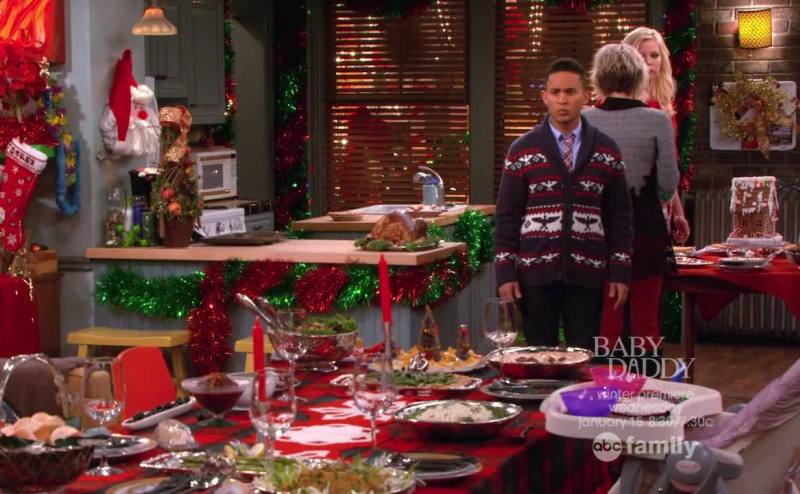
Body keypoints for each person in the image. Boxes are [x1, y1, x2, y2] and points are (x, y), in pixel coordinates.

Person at [494, 57, 633, 350]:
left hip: (588, 272)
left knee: (583, 357)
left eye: (570, 92)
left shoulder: (607, 150)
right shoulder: (522, 150)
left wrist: (620, 270)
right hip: (535, 273)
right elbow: (507, 216)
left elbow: (620, 216)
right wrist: (505, 273)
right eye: (555, 92)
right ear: (544, 96)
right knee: (538, 357)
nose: (562, 100)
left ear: (586, 96)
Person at [583, 44, 679, 357]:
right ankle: (648, 385)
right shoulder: (657, 120)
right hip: (644, 228)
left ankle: (603, 384)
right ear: (639, 77)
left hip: (595, 230)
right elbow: (667, 185)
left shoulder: (584, 120)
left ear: (599, 78)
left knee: (606, 322)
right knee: (646, 321)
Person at [622, 27, 690, 245]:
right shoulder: (616, 103)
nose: (649, 62)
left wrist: (678, 213)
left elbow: (666, 166)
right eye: (641, 56)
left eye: (654, 55)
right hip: (628, 202)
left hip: (659, 202)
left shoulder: (663, 104)